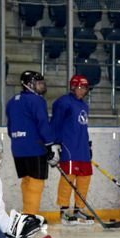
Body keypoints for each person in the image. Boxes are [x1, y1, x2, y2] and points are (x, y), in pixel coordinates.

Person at [6, 70, 60, 216]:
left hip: (17, 149)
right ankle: (31, 216)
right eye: (39, 83)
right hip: (35, 148)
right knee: (36, 182)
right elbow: (43, 124)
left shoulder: (11, 101)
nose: (42, 86)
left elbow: (10, 129)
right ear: (29, 85)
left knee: (26, 181)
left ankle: (27, 213)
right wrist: (50, 145)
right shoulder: (37, 101)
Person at [51, 74, 94, 225]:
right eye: (79, 87)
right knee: (68, 179)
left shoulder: (84, 105)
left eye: (84, 88)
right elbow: (55, 123)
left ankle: (79, 209)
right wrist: (55, 144)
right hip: (68, 147)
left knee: (85, 178)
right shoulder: (63, 102)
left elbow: (83, 127)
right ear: (73, 87)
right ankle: (64, 212)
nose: (82, 91)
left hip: (81, 147)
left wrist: (87, 145)